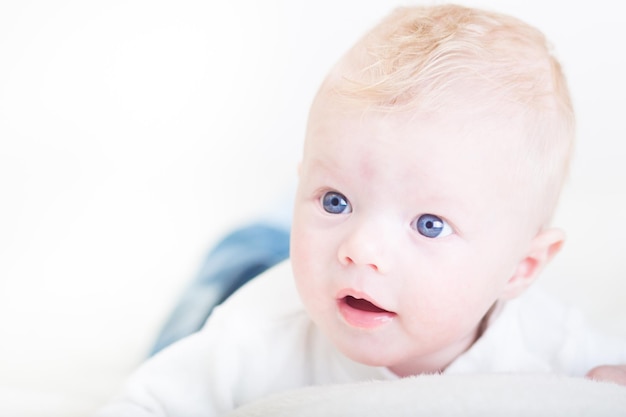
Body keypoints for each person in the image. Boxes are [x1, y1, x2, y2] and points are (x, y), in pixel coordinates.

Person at [95, 4, 626, 416]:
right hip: (253, 278)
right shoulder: (253, 337)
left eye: (429, 224)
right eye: (335, 200)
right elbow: (146, 401)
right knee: (213, 291)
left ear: (521, 268)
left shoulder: (551, 346)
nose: (362, 249)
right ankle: (274, 224)